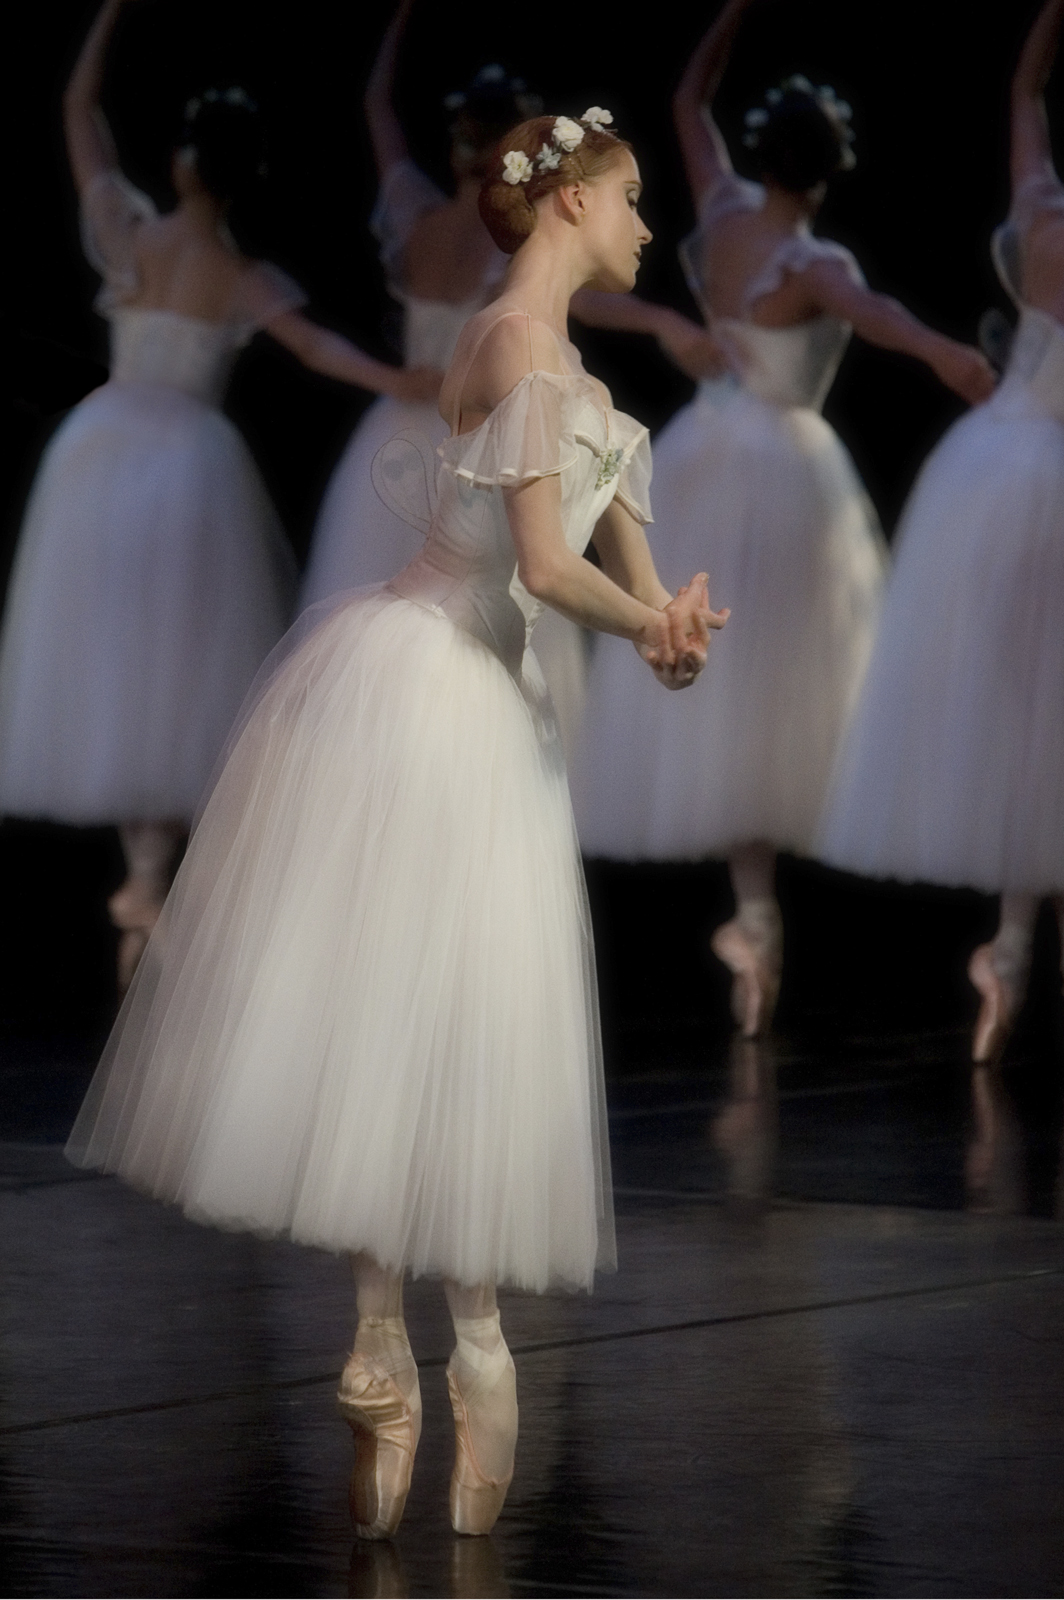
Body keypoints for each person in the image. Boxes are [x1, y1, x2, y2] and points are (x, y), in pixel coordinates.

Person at [66, 107, 727, 1540]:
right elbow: (548, 569)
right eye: (627, 198)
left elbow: (623, 577)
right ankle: (402, 1337)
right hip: (427, 688)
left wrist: (669, 631)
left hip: (489, 705)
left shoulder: (583, 388)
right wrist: (636, 614)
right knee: (397, 1003)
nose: (645, 226)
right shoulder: (511, 347)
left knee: (458, 1014)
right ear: (561, 207)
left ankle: (439, 1343)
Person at [571, 0, 994, 1037]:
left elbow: (682, 99)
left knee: (734, 691)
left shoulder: (717, 214)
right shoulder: (815, 267)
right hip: (786, 474)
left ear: (767, 157)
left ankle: (754, 917)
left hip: (706, 455)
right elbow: (892, 326)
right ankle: (758, 923)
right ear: (830, 171)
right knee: (783, 681)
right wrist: (953, 358)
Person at [0, 0, 428, 987]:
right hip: (187, 465)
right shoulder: (239, 273)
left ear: (189, 163)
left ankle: (143, 880)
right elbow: (318, 347)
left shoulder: (133, 235)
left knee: (122, 658)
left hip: (103, 454)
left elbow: (78, 110)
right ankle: (150, 882)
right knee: (173, 661)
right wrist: (395, 380)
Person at [818, 0, 1064, 1067]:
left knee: (1027, 717)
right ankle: (1050, 943)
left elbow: (1023, 88)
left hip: (982, 477)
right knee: (1055, 715)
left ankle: (1030, 942)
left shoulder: (1037, 218)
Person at [299, 2, 601, 762]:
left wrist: (400, 20)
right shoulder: (522, 241)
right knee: (480, 607)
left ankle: (380, 765)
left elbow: (376, 107)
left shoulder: (415, 216)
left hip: (400, 426)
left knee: (388, 612)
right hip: (481, 437)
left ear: (460, 136)